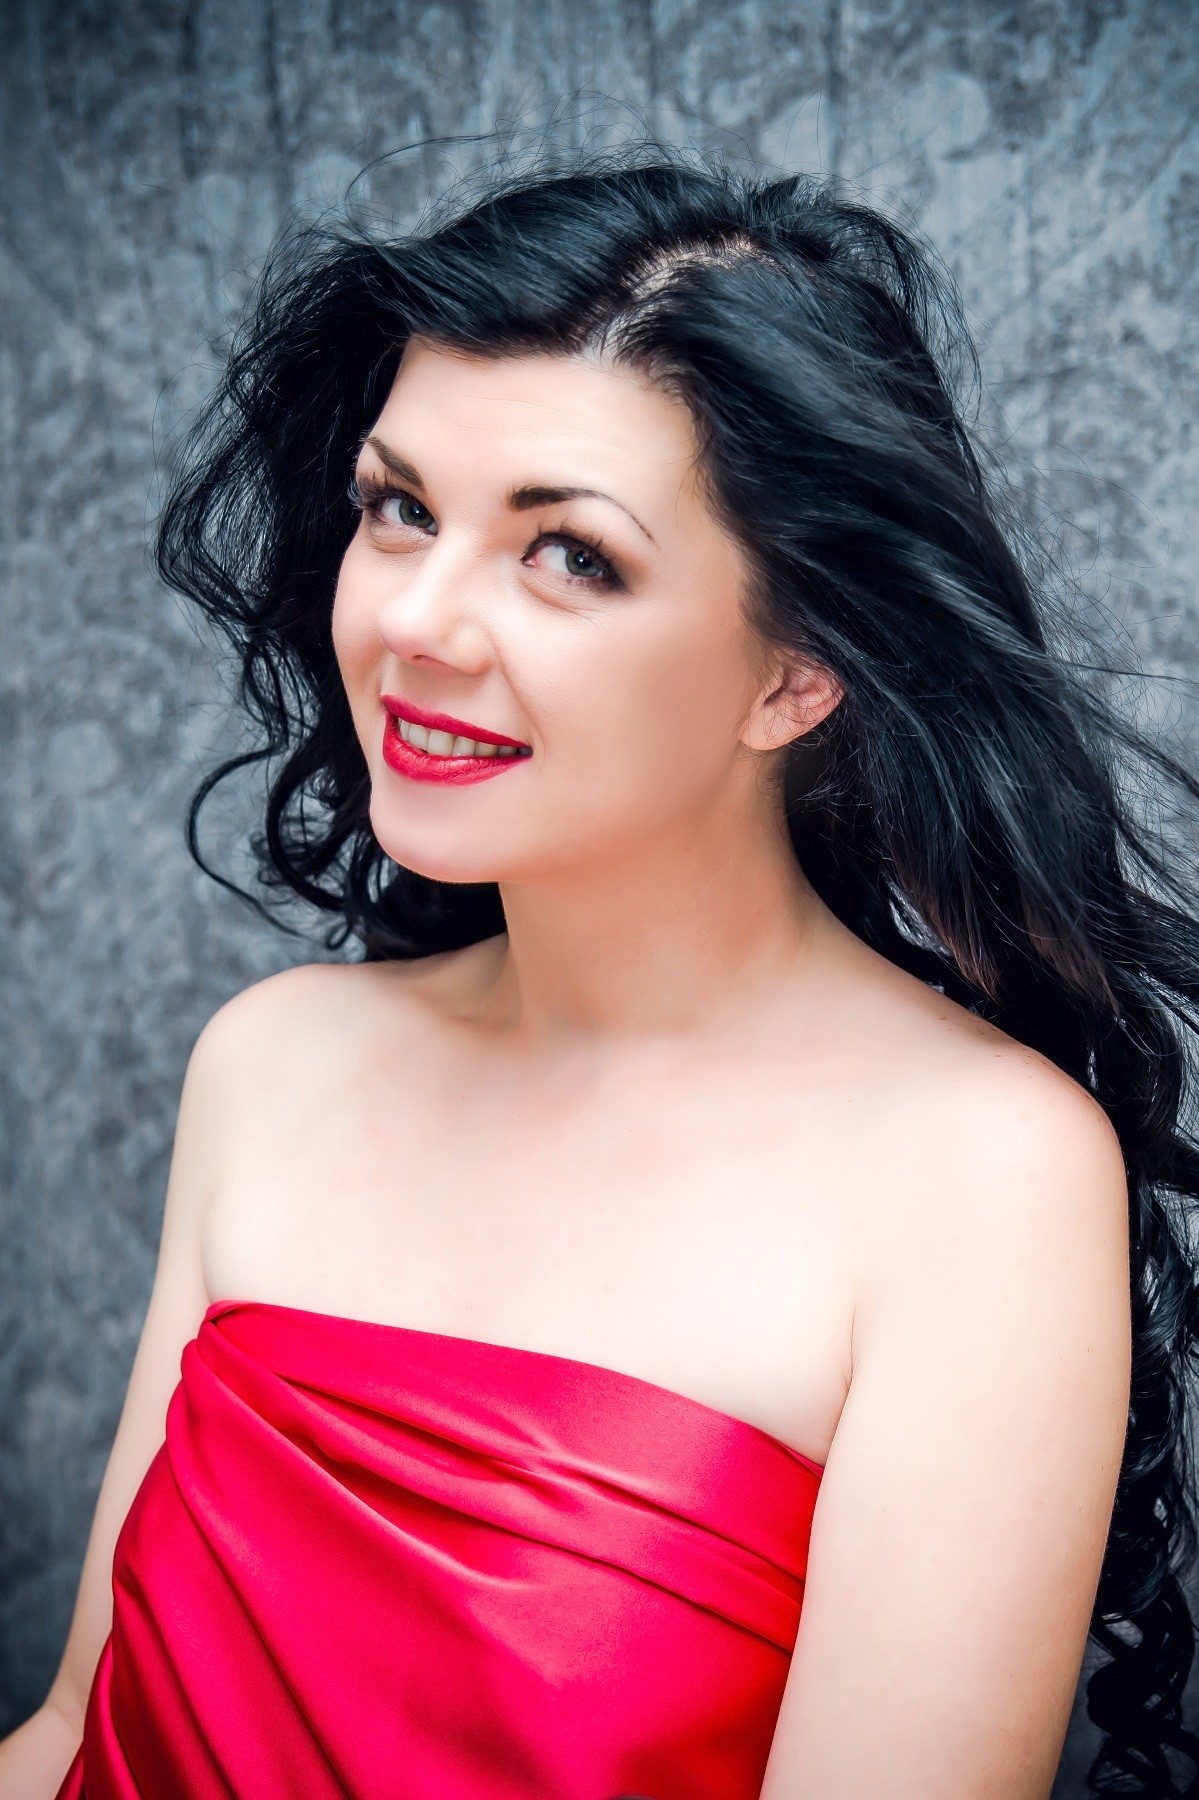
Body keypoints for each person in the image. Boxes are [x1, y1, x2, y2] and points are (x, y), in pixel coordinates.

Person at [3, 146, 1198, 1800]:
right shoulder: (273, 1060)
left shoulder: (977, 1176)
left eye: (569, 554)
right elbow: (76, 1734)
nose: (418, 623)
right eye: (399, 508)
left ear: (796, 674)